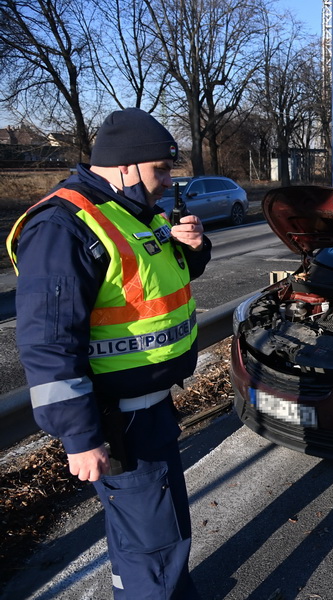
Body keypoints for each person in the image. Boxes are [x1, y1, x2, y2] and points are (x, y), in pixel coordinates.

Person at [6, 108, 212, 596]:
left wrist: (193, 248)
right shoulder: (63, 226)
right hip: (118, 422)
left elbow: (158, 286)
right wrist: (78, 435)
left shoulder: (128, 212)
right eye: (160, 170)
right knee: (155, 547)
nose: (167, 182)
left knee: (152, 538)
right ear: (125, 167)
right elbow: (48, 342)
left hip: (150, 412)